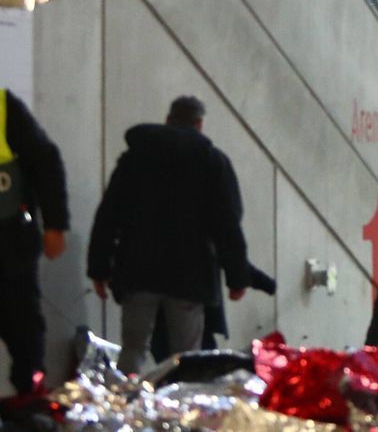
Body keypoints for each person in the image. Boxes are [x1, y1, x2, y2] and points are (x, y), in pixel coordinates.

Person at [88, 96, 251, 374]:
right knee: (186, 358)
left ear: (168, 120)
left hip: (137, 269)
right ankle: (180, 412)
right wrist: (237, 276)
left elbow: (109, 214)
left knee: (133, 350)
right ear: (200, 124)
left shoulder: (134, 158)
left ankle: (128, 407)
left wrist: (99, 268)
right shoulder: (213, 163)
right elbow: (227, 224)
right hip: (190, 276)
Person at [0, 90, 68, 395]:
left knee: (24, 329)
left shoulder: (4, 108)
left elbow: (45, 162)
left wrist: (55, 225)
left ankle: (29, 400)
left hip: (8, 243)